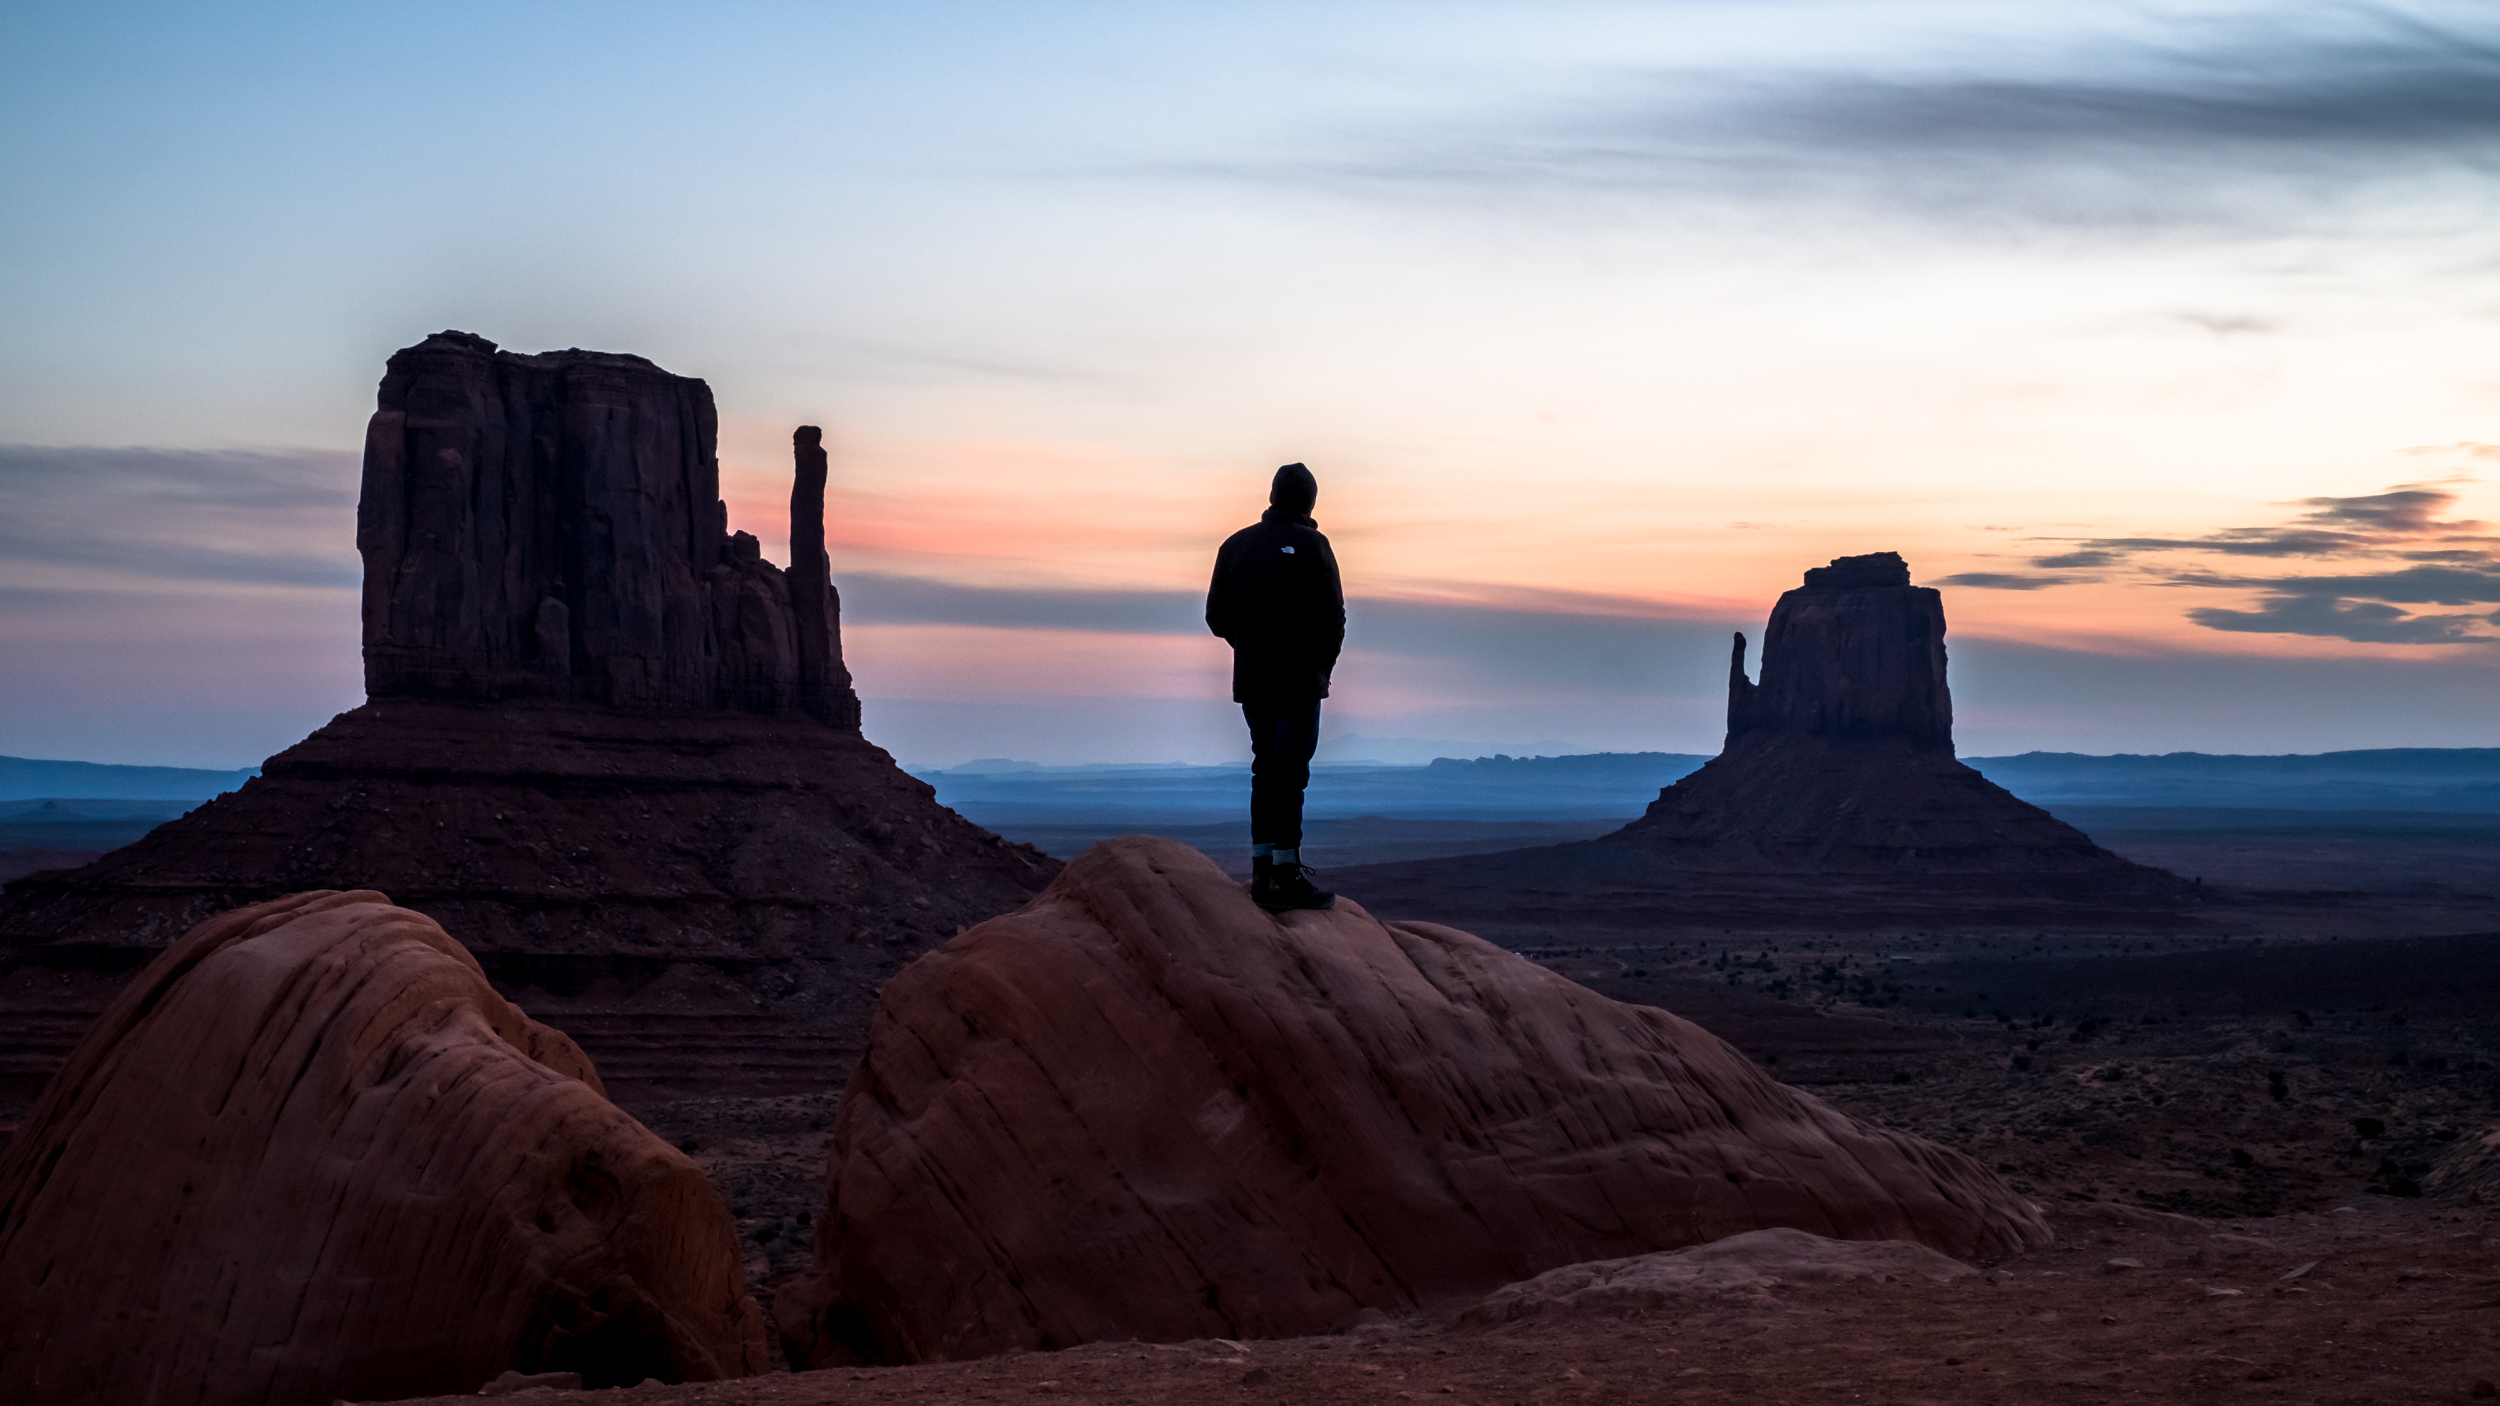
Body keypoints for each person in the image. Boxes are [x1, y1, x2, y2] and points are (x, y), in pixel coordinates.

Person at [1206, 462, 1345, 911]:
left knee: (1264, 768)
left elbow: (1216, 616)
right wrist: (1322, 668)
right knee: (1290, 773)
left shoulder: (1235, 546)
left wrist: (1249, 644)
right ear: (1310, 502)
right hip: (1299, 679)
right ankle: (1286, 873)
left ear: (1272, 496)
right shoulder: (1313, 545)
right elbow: (1332, 618)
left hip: (1254, 679)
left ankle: (1262, 870)